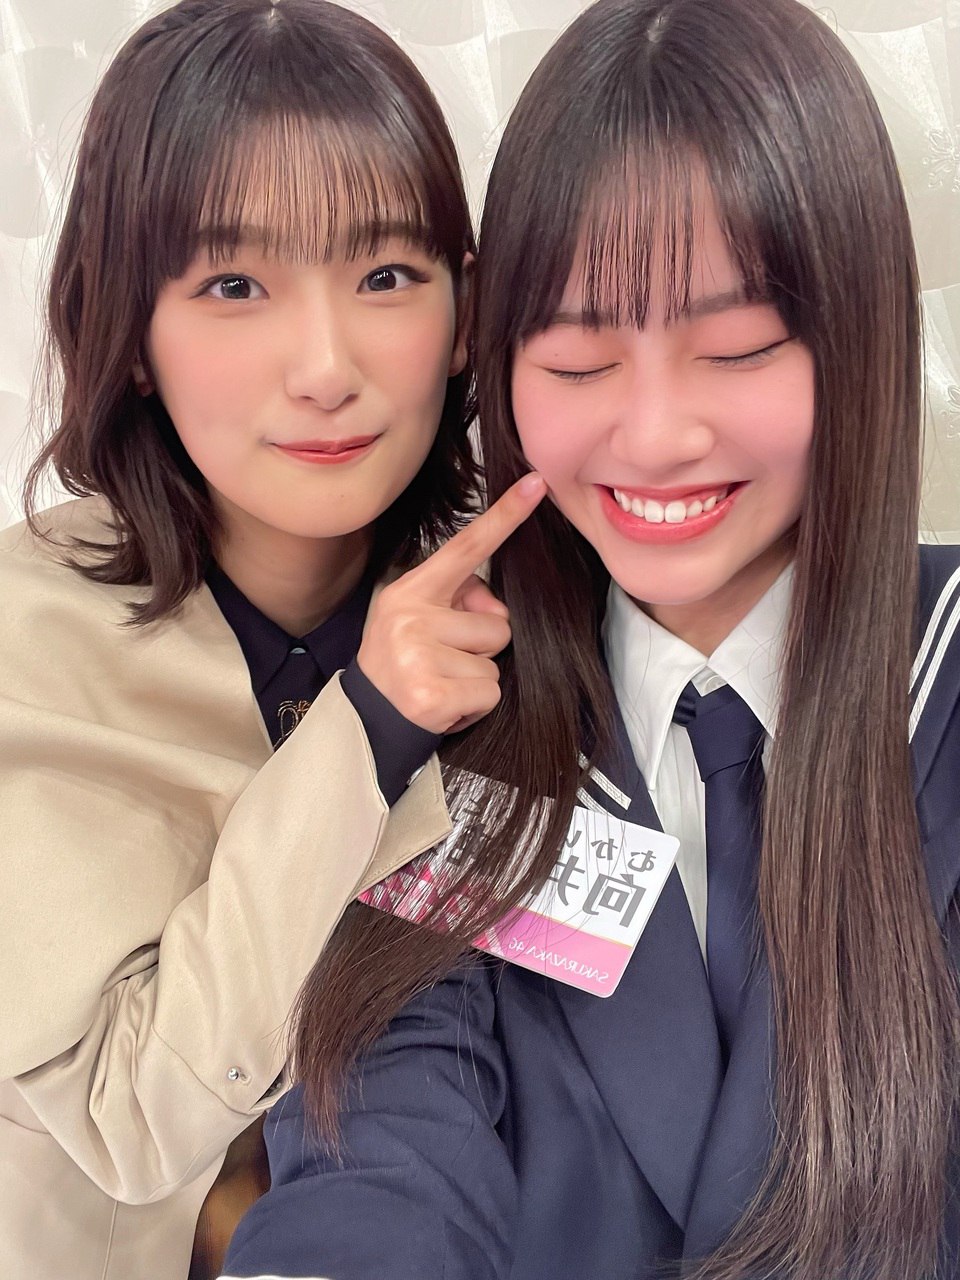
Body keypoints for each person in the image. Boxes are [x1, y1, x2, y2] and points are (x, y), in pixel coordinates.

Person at [220, 0, 960, 1278]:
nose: (656, 435)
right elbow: (382, 1151)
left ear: (863, 338)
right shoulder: (449, 721)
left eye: (739, 346)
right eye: (575, 361)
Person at [0, 1, 546, 1277]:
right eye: (234, 286)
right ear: (132, 332)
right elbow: (131, 1114)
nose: (325, 365)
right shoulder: (27, 636)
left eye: (386, 275)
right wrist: (370, 727)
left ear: (466, 311)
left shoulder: (522, 608)